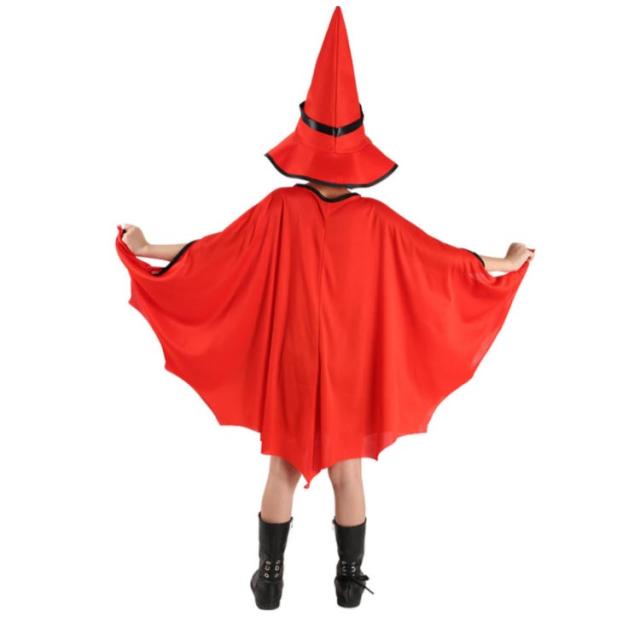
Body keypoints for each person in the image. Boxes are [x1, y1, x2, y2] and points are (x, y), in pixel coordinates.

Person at [116, 7, 534, 610]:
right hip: (351, 365)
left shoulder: (279, 210)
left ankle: (270, 579)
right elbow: (446, 263)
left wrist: (149, 248)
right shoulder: (378, 222)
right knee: (348, 472)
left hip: (292, 361)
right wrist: (503, 262)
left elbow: (212, 252)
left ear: (303, 145)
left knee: (282, 469)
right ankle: (348, 582)